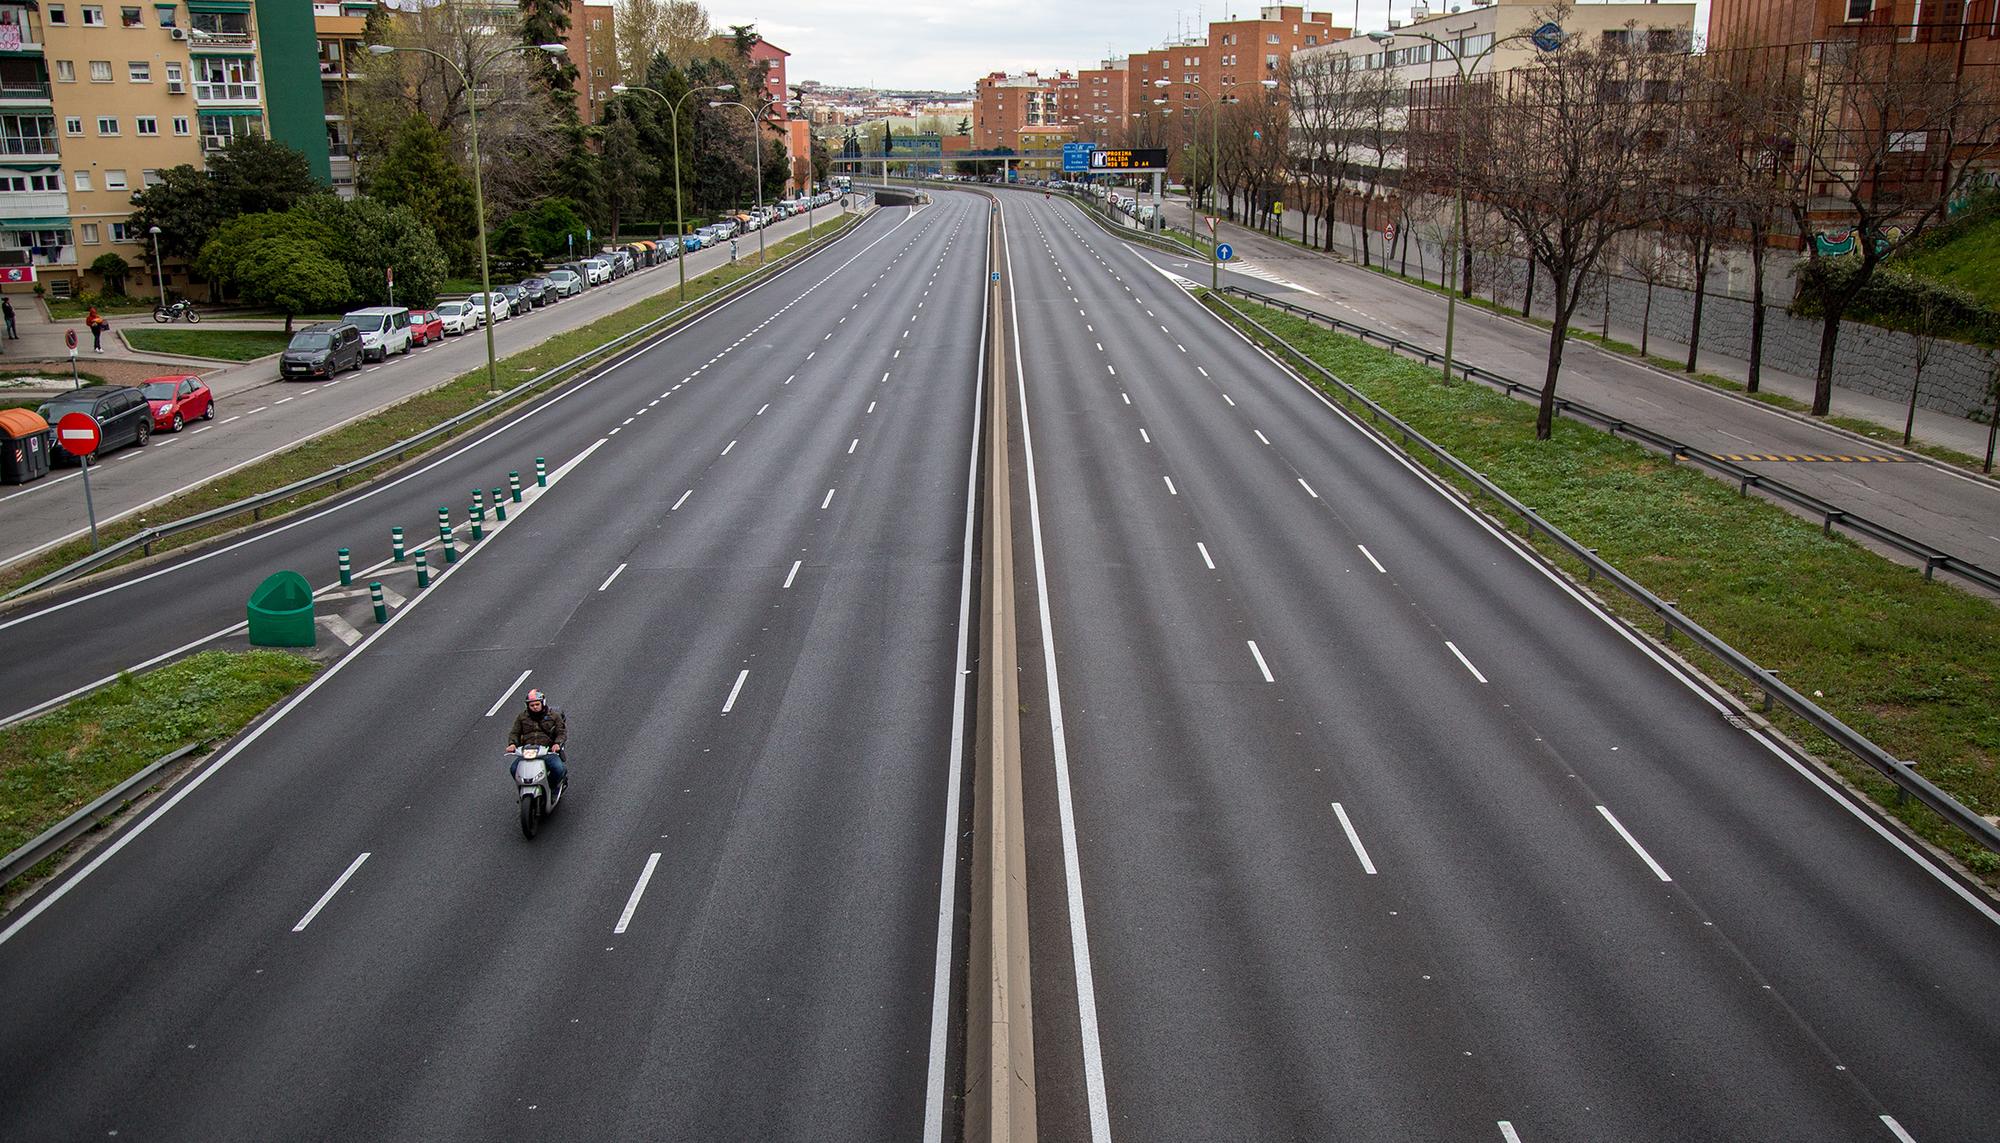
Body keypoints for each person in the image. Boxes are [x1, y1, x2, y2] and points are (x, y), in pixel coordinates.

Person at [505, 688, 568, 791]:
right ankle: (522, 788)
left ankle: (553, 789)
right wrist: (512, 744)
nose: (535, 707)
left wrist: (557, 744)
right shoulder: (522, 717)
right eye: (532, 705)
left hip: (547, 751)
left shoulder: (554, 716)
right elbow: (514, 733)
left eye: (537, 704)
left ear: (542, 704)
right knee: (514, 769)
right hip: (527, 751)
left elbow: (561, 732)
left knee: (558, 769)